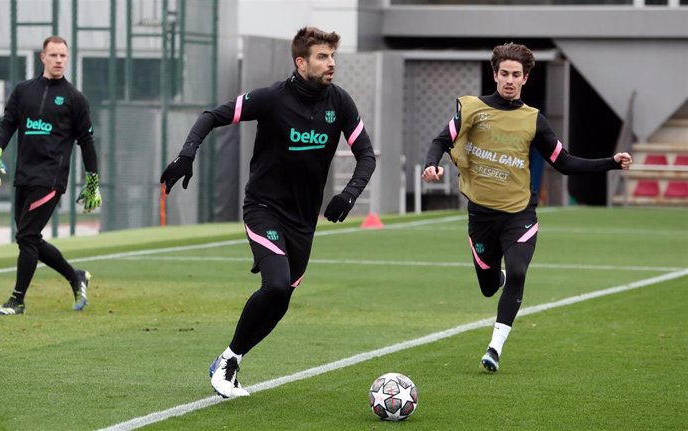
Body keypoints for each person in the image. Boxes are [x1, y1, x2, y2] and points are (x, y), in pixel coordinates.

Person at [160, 27, 376, 398]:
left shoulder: (339, 103)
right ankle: (226, 366)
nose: (331, 64)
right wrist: (186, 154)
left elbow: (366, 156)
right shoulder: (273, 98)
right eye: (323, 57)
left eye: (332, 56)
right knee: (274, 285)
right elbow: (211, 115)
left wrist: (349, 195)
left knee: (281, 299)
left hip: (304, 222)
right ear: (301, 61)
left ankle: (230, 359)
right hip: (263, 208)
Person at [422, 42, 632, 373]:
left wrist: (611, 163)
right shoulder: (473, 109)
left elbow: (563, 162)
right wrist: (432, 165)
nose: (509, 79)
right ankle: (496, 275)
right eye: (503, 73)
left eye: (515, 75)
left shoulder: (533, 120)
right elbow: (440, 141)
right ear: (495, 74)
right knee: (489, 286)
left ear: (525, 79)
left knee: (519, 271)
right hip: (480, 216)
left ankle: (494, 348)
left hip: (519, 213)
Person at [0, 36, 102, 316]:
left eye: (63, 56)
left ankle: (17, 300)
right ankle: (75, 275)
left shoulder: (74, 99)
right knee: (28, 238)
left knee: (28, 236)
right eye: (53, 55)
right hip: (24, 176)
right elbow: (7, 125)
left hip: (50, 178)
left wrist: (93, 179)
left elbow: (87, 142)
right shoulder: (23, 91)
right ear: (42, 57)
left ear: (67, 59)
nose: (58, 60)